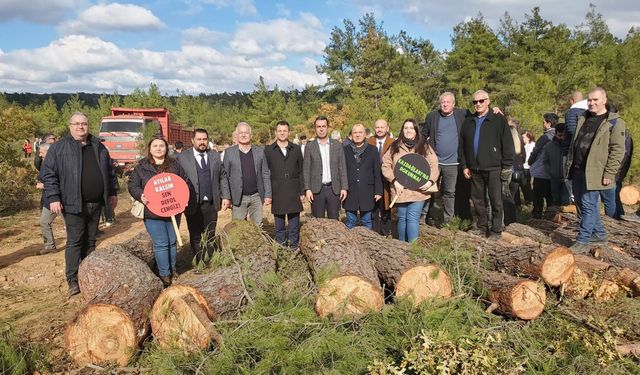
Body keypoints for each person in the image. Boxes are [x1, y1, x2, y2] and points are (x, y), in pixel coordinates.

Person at [42, 112, 118, 297]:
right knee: (75, 241)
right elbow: (49, 174)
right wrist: (53, 197)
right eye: (76, 124)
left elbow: (110, 172)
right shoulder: (59, 148)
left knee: (91, 242)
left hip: (96, 203)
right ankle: (73, 279)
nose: (80, 127)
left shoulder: (98, 146)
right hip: (72, 203)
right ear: (70, 126)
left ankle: (88, 275)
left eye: (84, 123)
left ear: (88, 125)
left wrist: (113, 193)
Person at [565, 88, 625, 252]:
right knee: (581, 204)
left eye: (595, 100)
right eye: (589, 100)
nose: (591, 103)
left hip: (595, 171)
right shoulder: (583, 117)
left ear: (604, 100)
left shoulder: (614, 122)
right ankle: (599, 233)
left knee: (589, 205)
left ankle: (583, 240)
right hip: (577, 169)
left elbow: (618, 150)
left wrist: (609, 173)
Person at [128, 136, 191, 286]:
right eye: (155, 146)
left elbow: (185, 182)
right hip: (152, 212)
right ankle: (164, 274)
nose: (158, 148)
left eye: (161, 146)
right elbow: (132, 185)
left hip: (173, 210)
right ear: (150, 149)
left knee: (172, 241)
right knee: (161, 243)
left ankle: (173, 270)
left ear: (166, 148)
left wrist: (183, 198)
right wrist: (140, 195)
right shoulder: (141, 167)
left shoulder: (175, 165)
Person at [459, 90, 515, 239]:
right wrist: (465, 165)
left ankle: (496, 230)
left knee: (496, 200)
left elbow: (507, 143)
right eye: (475, 102)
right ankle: (481, 227)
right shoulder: (468, 121)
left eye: (481, 101)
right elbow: (462, 145)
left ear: (488, 101)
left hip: (494, 167)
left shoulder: (498, 119)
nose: (478, 104)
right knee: (478, 201)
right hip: (474, 169)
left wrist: (507, 165)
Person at [382, 119, 439, 242]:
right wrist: (394, 181)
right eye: (406, 128)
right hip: (400, 191)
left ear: (416, 131)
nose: (408, 130)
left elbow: (434, 164)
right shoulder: (394, 146)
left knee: (413, 218)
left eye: (411, 128)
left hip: (418, 191)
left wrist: (430, 181)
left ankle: (413, 249)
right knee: (402, 218)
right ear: (402, 130)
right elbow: (386, 165)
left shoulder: (424, 145)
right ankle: (402, 246)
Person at [176, 128, 228, 258]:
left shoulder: (215, 156)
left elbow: (222, 176)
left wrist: (226, 196)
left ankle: (210, 259)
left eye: (205, 139)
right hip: (192, 203)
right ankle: (199, 261)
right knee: (195, 235)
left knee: (210, 233)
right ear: (192, 140)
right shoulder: (182, 158)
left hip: (211, 203)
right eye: (199, 139)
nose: (202, 142)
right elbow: (176, 179)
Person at [421, 92, 470, 226]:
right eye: (443, 102)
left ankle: (448, 220)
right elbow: (422, 135)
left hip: (453, 163)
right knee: (428, 189)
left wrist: (495, 110)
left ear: (453, 104)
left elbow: (481, 114)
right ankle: (423, 218)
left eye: (448, 102)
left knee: (449, 192)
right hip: (434, 162)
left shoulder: (463, 114)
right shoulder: (432, 116)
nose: (445, 104)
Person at [222, 122, 272, 226]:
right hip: (238, 197)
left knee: (258, 226)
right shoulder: (229, 152)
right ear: (236, 136)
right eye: (241, 133)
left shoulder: (260, 152)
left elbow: (265, 173)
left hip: (256, 196)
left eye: (246, 133)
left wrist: (268, 194)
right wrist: (226, 196)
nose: (243, 135)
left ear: (251, 135)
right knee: (238, 228)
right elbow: (224, 177)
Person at [264, 121, 304, 249]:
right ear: (276, 132)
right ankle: (280, 248)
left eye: (284, 131)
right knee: (279, 225)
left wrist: (302, 191)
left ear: (289, 132)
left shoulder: (296, 149)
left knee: (294, 224)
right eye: (279, 131)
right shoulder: (269, 150)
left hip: (293, 190)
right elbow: (265, 172)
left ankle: (293, 247)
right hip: (277, 190)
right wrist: (268, 193)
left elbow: (301, 171)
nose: (282, 133)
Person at [303, 116, 348, 220]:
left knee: (334, 221)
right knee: (318, 222)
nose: (321, 129)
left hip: (334, 189)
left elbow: (342, 167)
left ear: (328, 128)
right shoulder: (310, 147)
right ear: (315, 128)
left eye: (324, 126)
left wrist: (344, 187)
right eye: (318, 126)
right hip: (316, 190)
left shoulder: (337, 145)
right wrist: (307, 189)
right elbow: (306, 169)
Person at [343, 123, 382, 229]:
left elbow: (377, 172)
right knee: (350, 221)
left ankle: (366, 244)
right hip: (350, 191)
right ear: (351, 135)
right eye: (355, 132)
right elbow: (342, 171)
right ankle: (350, 244)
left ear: (365, 134)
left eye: (360, 132)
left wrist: (378, 191)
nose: (357, 135)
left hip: (367, 191)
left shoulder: (373, 150)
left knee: (366, 221)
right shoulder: (345, 150)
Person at [528, 113, 558, 218]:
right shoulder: (560, 135)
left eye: (544, 122)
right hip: (554, 173)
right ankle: (551, 217)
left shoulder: (545, 137)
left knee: (538, 197)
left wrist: (530, 162)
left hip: (541, 172)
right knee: (551, 198)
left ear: (549, 123)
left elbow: (535, 151)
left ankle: (537, 217)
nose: (543, 124)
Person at [368, 119, 394, 235]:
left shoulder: (393, 142)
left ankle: (386, 231)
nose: (379, 129)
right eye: (377, 127)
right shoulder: (369, 141)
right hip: (372, 179)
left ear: (387, 128)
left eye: (382, 127)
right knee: (374, 207)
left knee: (386, 206)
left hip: (387, 180)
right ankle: (374, 232)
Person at [36, 143, 61, 255]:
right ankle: (50, 246)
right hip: (48, 199)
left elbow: (62, 183)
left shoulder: (58, 163)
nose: (40, 155)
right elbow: (41, 177)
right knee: (44, 222)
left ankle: (79, 244)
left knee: (71, 224)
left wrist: (44, 186)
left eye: (41, 152)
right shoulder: (45, 163)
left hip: (61, 199)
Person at [504, 118, 525, 226]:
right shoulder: (520, 142)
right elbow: (524, 158)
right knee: (512, 197)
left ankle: (506, 220)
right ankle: (513, 220)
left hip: (507, 172)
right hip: (517, 173)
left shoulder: (505, 142)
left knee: (505, 197)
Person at [544, 123, 569, 207]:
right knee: (555, 201)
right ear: (555, 134)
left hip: (567, 180)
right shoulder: (549, 146)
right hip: (554, 179)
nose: (562, 138)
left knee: (566, 202)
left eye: (564, 135)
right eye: (560, 135)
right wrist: (551, 172)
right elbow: (545, 161)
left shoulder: (569, 146)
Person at [521, 131, 535, 203]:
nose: (522, 138)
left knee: (526, 185)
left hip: (527, 168)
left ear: (528, 138)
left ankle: (530, 200)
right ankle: (528, 199)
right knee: (524, 185)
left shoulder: (532, 146)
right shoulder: (524, 145)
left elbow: (528, 158)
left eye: (523, 137)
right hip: (523, 167)